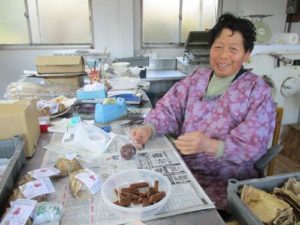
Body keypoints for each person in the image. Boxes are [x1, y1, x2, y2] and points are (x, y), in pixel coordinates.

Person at [131, 13, 276, 210]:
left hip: (225, 183)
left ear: (247, 54)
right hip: (184, 171)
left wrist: (210, 145)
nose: (223, 56)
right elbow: (168, 108)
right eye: (218, 47)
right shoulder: (197, 78)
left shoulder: (258, 91)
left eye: (233, 49)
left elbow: (253, 145)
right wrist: (149, 128)